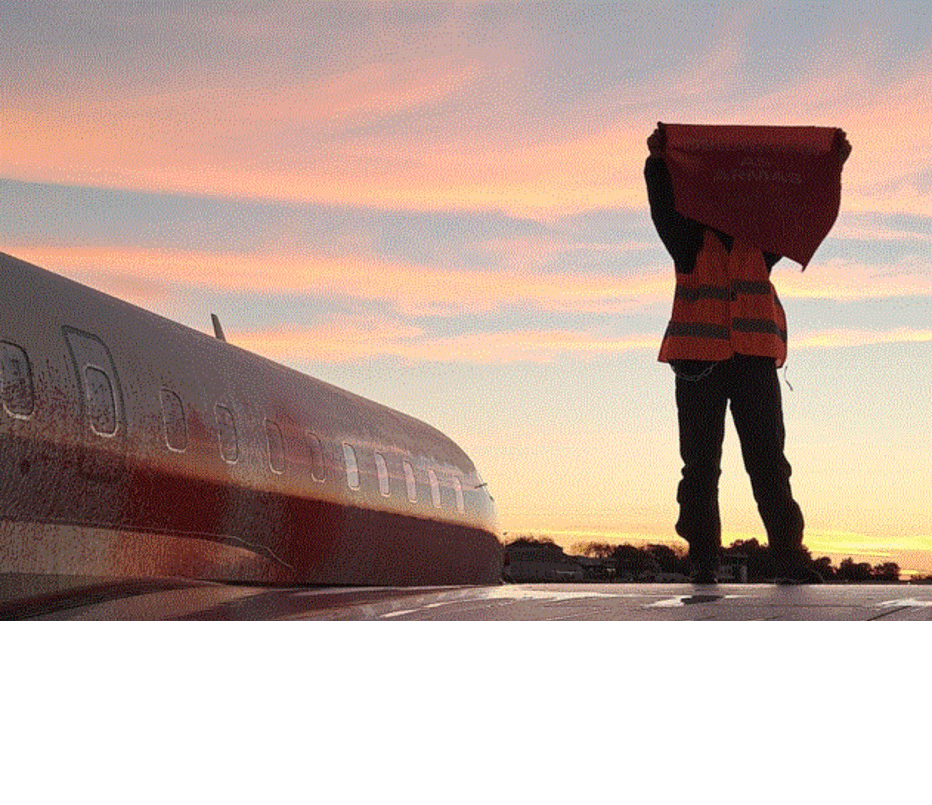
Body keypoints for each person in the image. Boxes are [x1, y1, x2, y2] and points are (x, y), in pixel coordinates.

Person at [644, 135, 821, 585]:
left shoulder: (759, 244)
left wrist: (827, 163)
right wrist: (658, 162)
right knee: (701, 466)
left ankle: (789, 556)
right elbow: (662, 205)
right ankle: (704, 558)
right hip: (700, 364)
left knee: (769, 462)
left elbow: (801, 207)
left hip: (753, 362)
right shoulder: (687, 240)